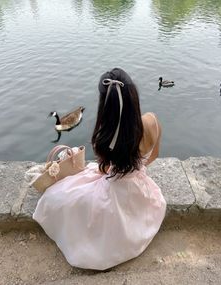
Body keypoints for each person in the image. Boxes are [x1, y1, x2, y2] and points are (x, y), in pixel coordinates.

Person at [33, 68, 166, 270]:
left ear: (105, 106)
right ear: (133, 97)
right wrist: (136, 168)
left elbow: (105, 170)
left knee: (59, 197)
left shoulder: (105, 137)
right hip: (140, 192)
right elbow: (153, 156)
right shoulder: (152, 122)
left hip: (114, 193)